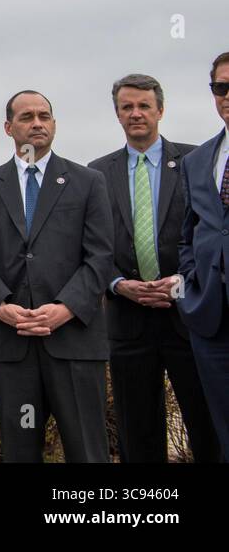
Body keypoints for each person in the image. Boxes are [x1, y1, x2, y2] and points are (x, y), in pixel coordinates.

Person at [0, 90, 113, 462]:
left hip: (74, 339)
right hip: (10, 344)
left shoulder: (88, 182)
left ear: (54, 124)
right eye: (27, 116)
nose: (37, 123)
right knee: (20, 450)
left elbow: (100, 255)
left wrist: (66, 308)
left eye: (44, 116)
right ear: (8, 127)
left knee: (87, 450)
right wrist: (1, 306)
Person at [87, 74, 219, 462]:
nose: (136, 114)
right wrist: (116, 284)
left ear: (161, 110)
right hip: (127, 321)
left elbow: (209, 233)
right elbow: (92, 243)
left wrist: (182, 280)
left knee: (206, 426)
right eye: (127, 107)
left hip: (190, 314)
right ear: (117, 115)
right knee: (137, 432)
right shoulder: (96, 173)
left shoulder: (197, 162)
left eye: (144, 106)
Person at [177, 51, 229, 461]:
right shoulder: (197, 161)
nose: (227, 95)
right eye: (221, 87)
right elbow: (188, 232)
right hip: (211, 318)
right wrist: (191, 280)